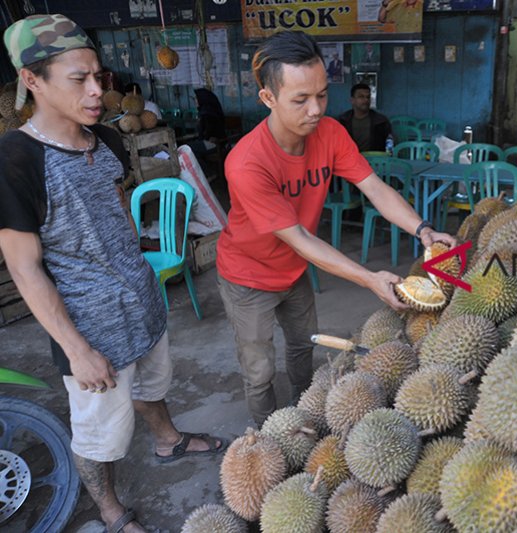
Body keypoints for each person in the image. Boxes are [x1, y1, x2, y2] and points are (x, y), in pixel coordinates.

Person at [0, 15, 227, 533]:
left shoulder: (105, 138)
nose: (96, 90)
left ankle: (169, 440)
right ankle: (110, 509)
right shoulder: (15, 160)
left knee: (153, 384)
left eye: (98, 77)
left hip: (141, 301)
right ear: (32, 81)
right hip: (90, 328)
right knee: (98, 435)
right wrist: (77, 350)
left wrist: (142, 268)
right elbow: (24, 267)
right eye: (78, 79)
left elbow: (118, 208)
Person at [216, 31, 455, 426]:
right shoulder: (247, 162)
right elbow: (300, 238)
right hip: (248, 278)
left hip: (294, 270)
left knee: (302, 348)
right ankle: (267, 435)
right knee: (259, 371)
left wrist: (423, 228)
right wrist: (367, 278)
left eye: (323, 95)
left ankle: (303, 419)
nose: (315, 109)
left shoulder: (329, 133)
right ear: (267, 99)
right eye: (301, 99)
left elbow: (374, 187)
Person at [338, 83, 392, 153]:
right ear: (352, 100)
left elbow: (390, 145)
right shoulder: (343, 121)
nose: (366, 100)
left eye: (368, 97)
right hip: (350, 160)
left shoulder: (381, 121)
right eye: (361, 97)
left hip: (375, 161)